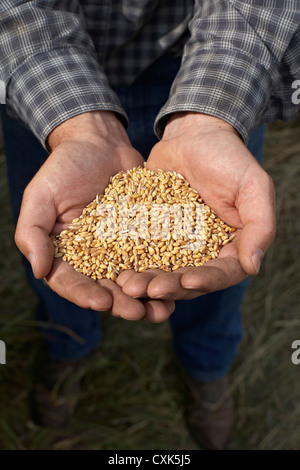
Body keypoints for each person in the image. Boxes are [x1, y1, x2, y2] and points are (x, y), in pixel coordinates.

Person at [0, 0, 298, 450]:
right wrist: (79, 129)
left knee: (218, 272)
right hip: (47, 86)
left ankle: (206, 369)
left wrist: (211, 117)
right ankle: (67, 349)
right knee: (51, 255)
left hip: (204, 67)